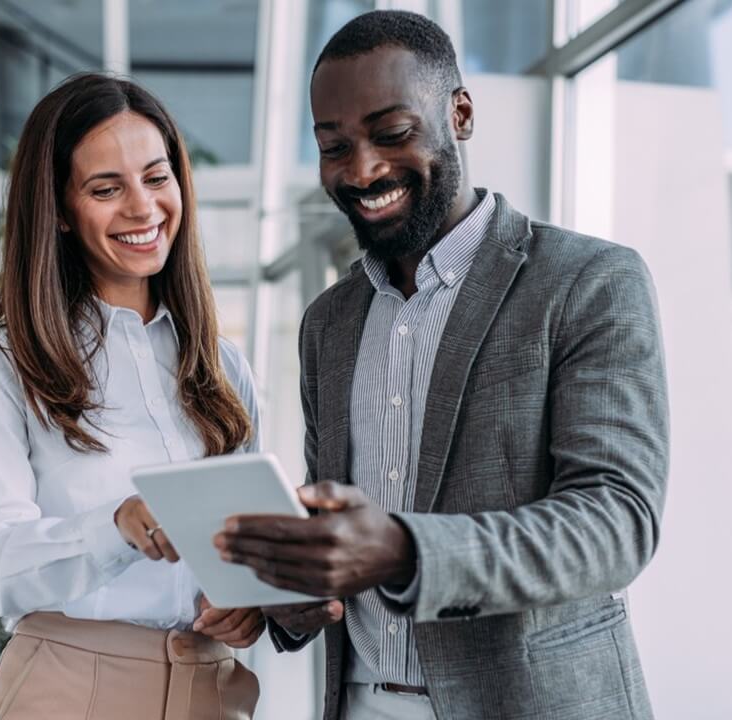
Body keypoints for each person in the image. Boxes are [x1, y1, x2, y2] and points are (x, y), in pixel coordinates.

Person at [215, 11, 668, 720]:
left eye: (392, 135)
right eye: (334, 147)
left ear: (459, 113)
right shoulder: (327, 325)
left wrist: (403, 549)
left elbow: (616, 522)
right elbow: (337, 538)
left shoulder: (587, 280)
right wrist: (295, 592)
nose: (362, 170)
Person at [0, 73, 263, 720]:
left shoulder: (222, 365)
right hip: (70, 688)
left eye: (156, 177)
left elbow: (249, 539)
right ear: (59, 209)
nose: (143, 208)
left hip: (211, 689)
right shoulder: (1, 367)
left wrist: (252, 600)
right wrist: (117, 527)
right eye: (106, 189)